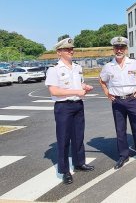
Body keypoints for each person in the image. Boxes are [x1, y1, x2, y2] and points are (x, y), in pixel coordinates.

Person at [45, 38, 94, 185]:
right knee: (64, 139)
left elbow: (79, 83)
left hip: (78, 105)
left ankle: (79, 163)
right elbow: (53, 90)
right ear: (59, 52)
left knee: (78, 136)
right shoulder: (54, 69)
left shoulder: (77, 67)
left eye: (72, 48)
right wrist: (77, 91)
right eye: (67, 49)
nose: (71, 51)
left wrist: (85, 87)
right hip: (63, 107)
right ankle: (64, 170)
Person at [99, 36, 136, 170]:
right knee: (120, 130)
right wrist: (106, 92)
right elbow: (102, 80)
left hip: (132, 99)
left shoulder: (134, 63)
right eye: (116, 48)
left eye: (122, 48)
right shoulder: (108, 66)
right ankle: (123, 155)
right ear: (113, 49)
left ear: (126, 49)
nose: (119, 50)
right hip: (117, 101)